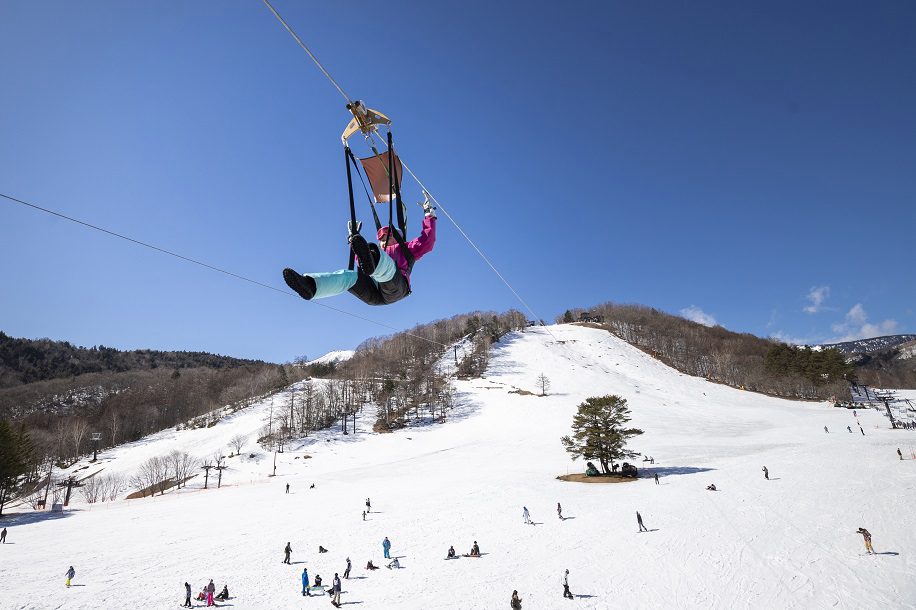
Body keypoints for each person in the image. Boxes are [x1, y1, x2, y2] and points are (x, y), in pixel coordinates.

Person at [283, 196, 437, 306]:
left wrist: (429, 215)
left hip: (395, 288)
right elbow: (361, 259)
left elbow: (428, 241)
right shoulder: (377, 250)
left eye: (387, 237)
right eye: (381, 238)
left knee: (385, 265)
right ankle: (311, 285)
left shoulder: (406, 248)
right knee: (347, 276)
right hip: (374, 292)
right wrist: (353, 239)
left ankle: (375, 262)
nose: (383, 240)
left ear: (399, 238)